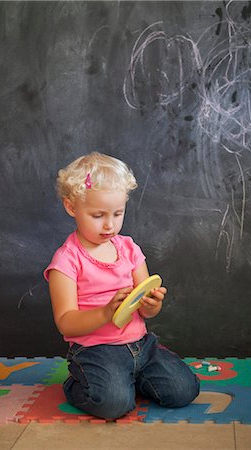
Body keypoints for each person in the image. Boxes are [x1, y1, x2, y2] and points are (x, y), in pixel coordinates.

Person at [44, 152, 199, 419]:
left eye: (118, 213)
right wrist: (106, 313)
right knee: (114, 406)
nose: (110, 224)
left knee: (184, 390)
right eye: (98, 215)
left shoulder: (129, 249)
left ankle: (130, 378)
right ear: (71, 207)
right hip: (96, 351)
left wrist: (153, 304)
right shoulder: (67, 261)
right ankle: (77, 384)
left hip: (141, 345)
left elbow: (145, 309)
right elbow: (66, 322)